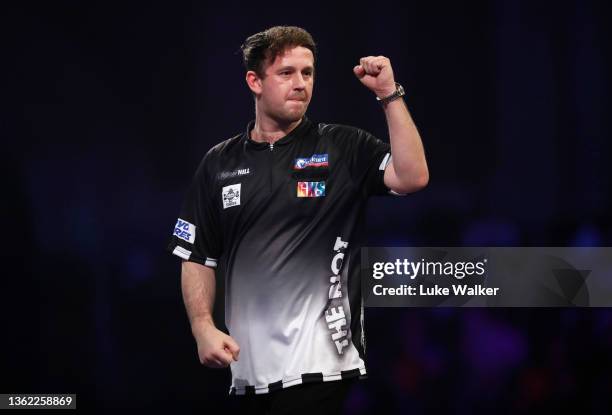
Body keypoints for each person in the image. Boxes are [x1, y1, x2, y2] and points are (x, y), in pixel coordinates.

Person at [167, 26, 429, 414]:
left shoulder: (342, 146)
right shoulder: (218, 164)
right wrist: (202, 326)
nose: (300, 83)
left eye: (307, 73)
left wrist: (388, 95)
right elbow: (195, 255)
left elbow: (412, 176)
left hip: (323, 367)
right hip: (247, 374)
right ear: (254, 81)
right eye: (286, 73)